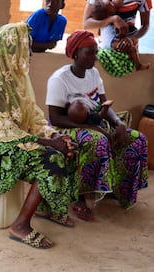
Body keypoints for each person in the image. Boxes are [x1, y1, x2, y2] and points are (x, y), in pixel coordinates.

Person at [0, 22, 78, 250]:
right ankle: (20, 225)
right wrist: (50, 144)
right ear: (10, 49)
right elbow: (1, 132)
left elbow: (33, 117)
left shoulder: (17, 78)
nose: (29, 53)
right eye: (25, 47)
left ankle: (48, 207)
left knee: (69, 148)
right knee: (52, 159)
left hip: (15, 142)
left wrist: (56, 135)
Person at [46, 30, 148, 222]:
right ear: (75, 54)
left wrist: (117, 123)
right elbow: (55, 117)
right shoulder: (59, 79)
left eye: (95, 51)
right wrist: (93, 128)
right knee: (97, 141)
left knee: (136, 139)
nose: (95, 56)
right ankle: (80, 197)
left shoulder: (93, 74)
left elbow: (103, 105)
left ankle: (117, 188)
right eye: (89, 52)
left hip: (94, 121)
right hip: (66, 126)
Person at [83, 0, 151, 76]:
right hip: (108, 47)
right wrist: (113, 19)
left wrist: (130, 38)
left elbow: (145, 25)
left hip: (130, 44)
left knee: (129, 73)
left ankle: (137, 65)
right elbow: (86, 24)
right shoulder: (101, 3)